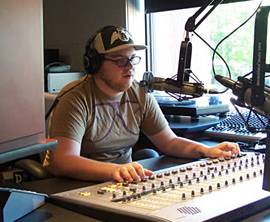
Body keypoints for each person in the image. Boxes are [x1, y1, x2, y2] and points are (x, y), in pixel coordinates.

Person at [43, 25, 240, 183]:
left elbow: (169, 142)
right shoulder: (75, 98)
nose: (130, 67)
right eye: (120, 61)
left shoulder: (138, 93)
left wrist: (206, 150)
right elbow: (64, 162)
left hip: (122, 180)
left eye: (132, 59)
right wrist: (116, 170)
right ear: (93, 64)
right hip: (75, 185)